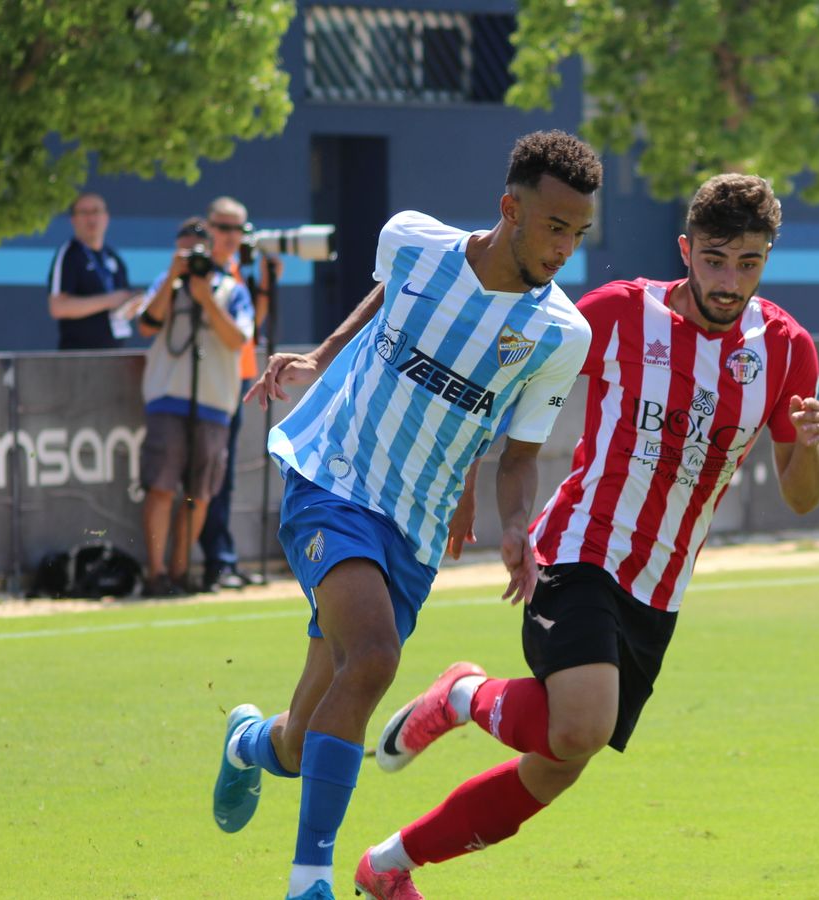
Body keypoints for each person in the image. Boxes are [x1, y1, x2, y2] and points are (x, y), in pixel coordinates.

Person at [352, 173, 819, 900]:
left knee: (556, 764)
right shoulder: (617, 312)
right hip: (580, 548)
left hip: (661, 588)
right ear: (685, 250)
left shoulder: (787, 349)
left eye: (748, 263)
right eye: (714, 260)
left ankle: (388, 866)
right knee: (580, 726)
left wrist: (813, 446)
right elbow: (507, 386)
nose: (729, 281)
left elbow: (802, 495)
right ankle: (463, 697)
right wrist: (471, 484)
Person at [216, 131, 603, 900]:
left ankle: (249, 744)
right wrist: (322, 355)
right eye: (555, 227)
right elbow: (390, 296)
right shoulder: (413, 240)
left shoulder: (562, 333)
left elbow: (519, 456)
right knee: (375, 658)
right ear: (510, 209)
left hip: (415, 528)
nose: (566, 248)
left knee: (302, 739)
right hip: (332, 477)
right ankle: (309, 882)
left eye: (579, 233)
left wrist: (516, 525)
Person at [133, 217, 255, 595]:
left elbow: (238, 339)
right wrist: (173, 277)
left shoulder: (232, 289)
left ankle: (181, 572)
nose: (191, 258)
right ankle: (156, 575)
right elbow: (146, 325)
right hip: (167, 397)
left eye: (197, 251)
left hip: (213, 402)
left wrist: (206, 299)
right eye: (184, 251)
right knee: (160, 486)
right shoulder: (165, 284)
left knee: (198, 494)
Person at [197, 195, 278, 592]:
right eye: (223, 227)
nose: (231, 236)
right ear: (209, 228)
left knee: (224, 474)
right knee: (211, 475)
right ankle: (215, 561)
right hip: (211, 380)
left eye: (239, 229)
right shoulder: (203, 271)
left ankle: (224, 559)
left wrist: (266, 282)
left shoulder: (236, 271)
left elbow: (252, 328)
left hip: (238, 377)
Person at [46, 192, 142, 350]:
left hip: (116, 353)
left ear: (106, 218)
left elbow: (124, 309)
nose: (91, 218)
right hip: (79, 355)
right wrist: (109, 300)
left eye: (96, 211)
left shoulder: (114, 258)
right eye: (84, 212)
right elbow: (58, 307)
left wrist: (133, 303)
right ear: (73, 220)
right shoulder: (69, 255)